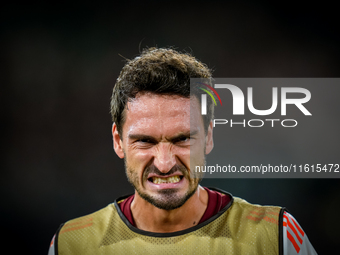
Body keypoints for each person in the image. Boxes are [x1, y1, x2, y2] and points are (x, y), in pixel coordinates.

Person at [48, 47, 317, 254]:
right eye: (145, 141)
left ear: (209, 137)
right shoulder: (71, 244)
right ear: (118, 141)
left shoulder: (275, 236)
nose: (164, 164)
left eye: (182, 139)